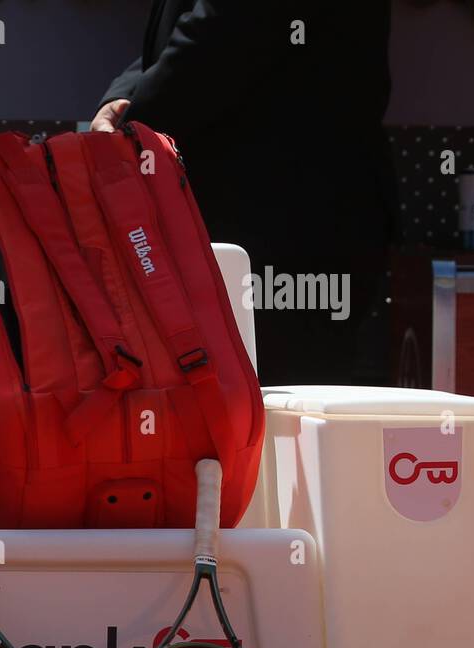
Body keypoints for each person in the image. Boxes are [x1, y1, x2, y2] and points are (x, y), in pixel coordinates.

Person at [92, 1, 398, 386]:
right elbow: (184, 35)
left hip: (289, 225)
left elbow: (225, 31)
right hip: (263, 222)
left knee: (280, 413)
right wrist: (120, 101)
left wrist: (129, 127)